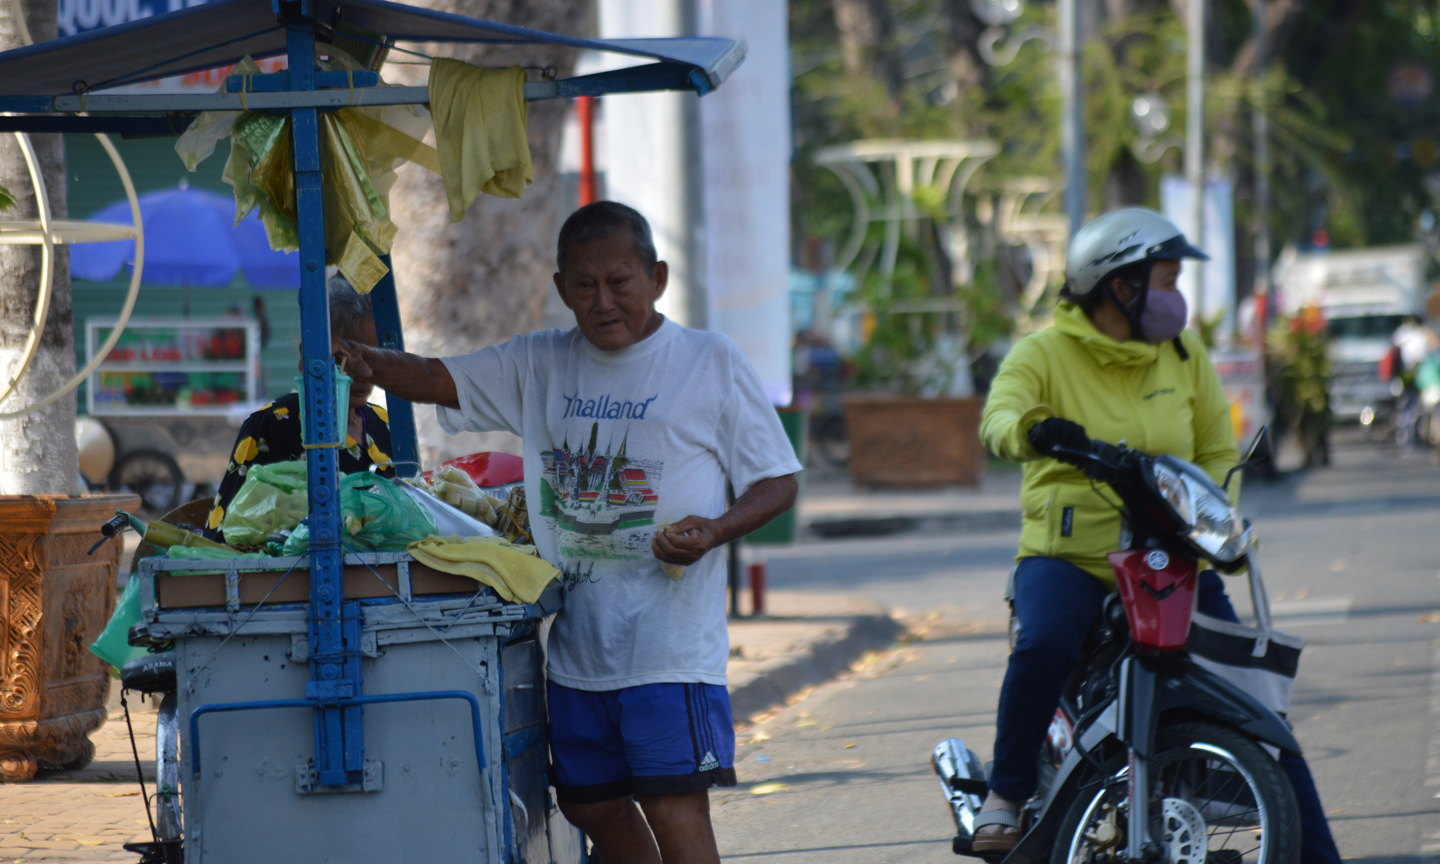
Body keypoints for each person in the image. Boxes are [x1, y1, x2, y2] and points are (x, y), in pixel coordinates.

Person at [332, 200, 801, 864]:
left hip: (670, 651)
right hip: (580, 652)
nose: (603, 300)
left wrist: (714, 529)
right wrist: (365, 362)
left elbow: (778, 480)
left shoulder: (708, 361)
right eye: (584, 285)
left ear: (657, 278)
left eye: (620, 282)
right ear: (561, 289)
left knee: (673, 801)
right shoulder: (541, 362)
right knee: (590, 804)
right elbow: (441, 378)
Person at [974, 208, 1342, 863]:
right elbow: (998, 416)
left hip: (1171, 561)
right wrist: (1033, 428)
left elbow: (1216, 453)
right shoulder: (1043, 354)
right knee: (1046, 640)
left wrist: (1211, 528)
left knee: (1256, 699)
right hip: (1071, 557)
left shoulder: (1183, 352)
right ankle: (1004, 795)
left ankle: (1315, 852)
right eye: (1167, 281)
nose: (1177, 298)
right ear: (1121, 285)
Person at [205, 276, 394, 538]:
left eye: (374, 355)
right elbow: (223, 532)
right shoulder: (271, 425)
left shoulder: (386, 424)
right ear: (313, 355)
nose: (366, 371)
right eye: (351, 356)